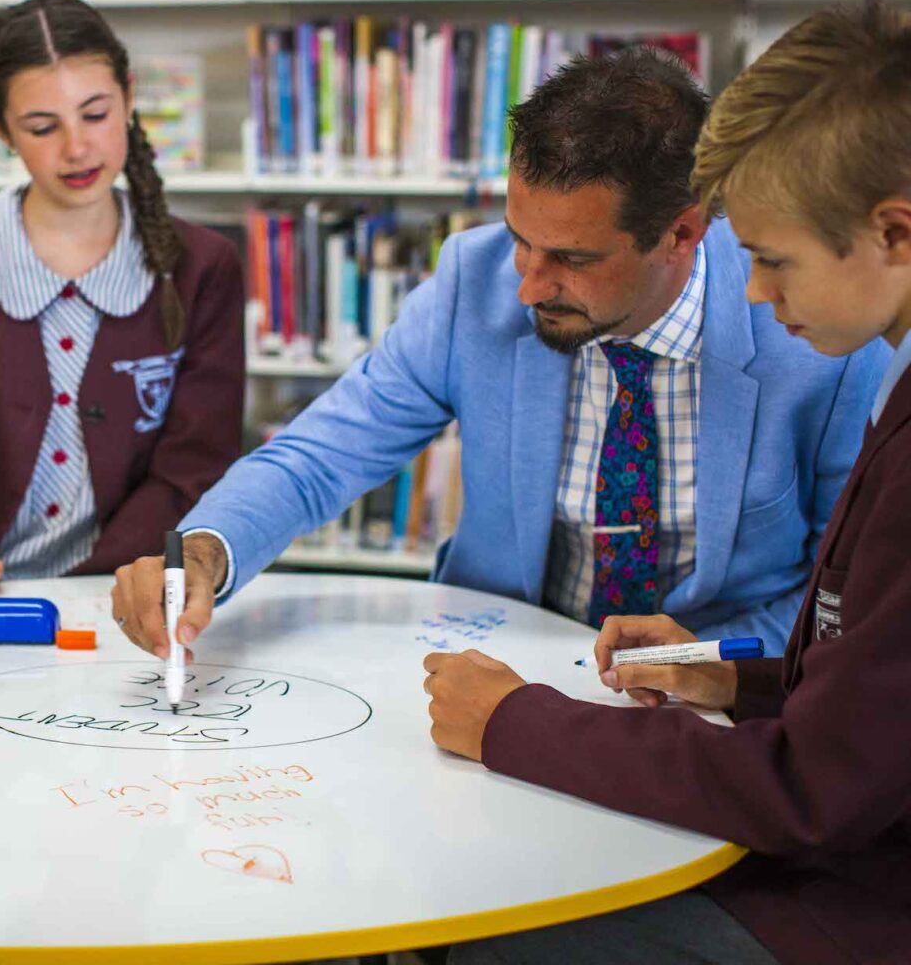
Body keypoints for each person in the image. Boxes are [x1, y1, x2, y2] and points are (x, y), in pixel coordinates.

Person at [111, 46, 886, 662]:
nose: (527, 286)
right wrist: (204, 552)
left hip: (709, 690)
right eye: (521, 239)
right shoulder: (472, 283)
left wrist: (701, 664)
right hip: (499, 666)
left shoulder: (814, 333)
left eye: (572, 259)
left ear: (681, 233)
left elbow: (836, 594)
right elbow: (319, 456)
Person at [428, 0, 911, 964]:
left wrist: (520, 724)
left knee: (498, 933)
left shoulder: (859, 382)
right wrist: (737, 677)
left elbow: (812, 789)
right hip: (844, 830)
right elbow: (875, 695)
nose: (755, 292)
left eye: (772, 260)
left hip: (862, 894)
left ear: (894, 234)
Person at [0, 0, 245, 594]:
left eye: (95, 114)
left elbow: (194, 468)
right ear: (0, 128)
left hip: (125, 596)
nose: (76, 148)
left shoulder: (204, 267)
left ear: (129, 97)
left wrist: (102, 590)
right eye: (42, 127)